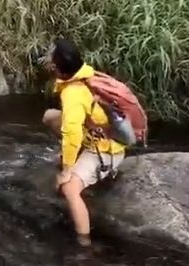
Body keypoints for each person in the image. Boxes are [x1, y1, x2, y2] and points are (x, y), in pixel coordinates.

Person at [42, 38, 126, 247]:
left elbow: (72, 135)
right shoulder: (87, 73)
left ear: (57, 67)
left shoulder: (73, 94)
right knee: (50, 116)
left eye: (51, 57)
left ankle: (85, 245)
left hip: (106, 150)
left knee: (69, 189)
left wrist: (66, 171)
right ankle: (79, 156)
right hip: (101, 134)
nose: (48, 59)